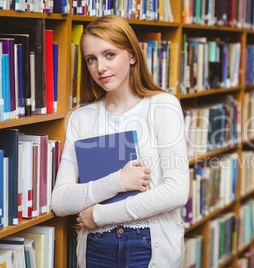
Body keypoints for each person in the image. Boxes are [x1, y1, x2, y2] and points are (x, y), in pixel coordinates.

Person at [52, 15, 189, 268]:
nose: (100, 67)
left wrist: (99, 215)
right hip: (96, 247)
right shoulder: (81, 118)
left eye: (109, 55)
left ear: (132, 55)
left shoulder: (162, 106)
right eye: (91, 59)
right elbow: (60, 201)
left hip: (148, 244)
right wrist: (118, 182)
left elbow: (177, 191)